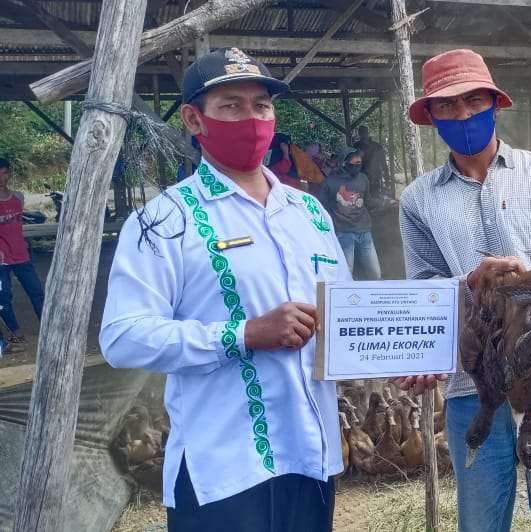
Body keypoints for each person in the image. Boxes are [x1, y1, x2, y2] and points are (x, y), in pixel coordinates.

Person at [99, 47, 349, 531]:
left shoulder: (309, 213)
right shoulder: (165, 220)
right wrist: (244, 333)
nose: (251, 118)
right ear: (194, 119)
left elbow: (346, 317)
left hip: (311, 457)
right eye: (231, 105)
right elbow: (122, 336)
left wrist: (399, 362)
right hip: (224, 470)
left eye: (261, 105)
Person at [394, 49, 531, 532]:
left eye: (473, 100)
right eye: (447, 105)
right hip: (473, 386)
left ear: (495, 104)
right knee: (479, 524)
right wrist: (468, 283)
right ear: (431, 117)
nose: (463, 113)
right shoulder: (419, 199)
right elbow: (422, 287)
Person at [0, 158, 44, 355]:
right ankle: (14, 335)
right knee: (4, 297)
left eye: (5, 172)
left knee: (37, 291)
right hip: (2, 260)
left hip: (21, 255)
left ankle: (48, 328)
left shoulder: (18, 198)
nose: (2, 177)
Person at [318, 147, 380, 280]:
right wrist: (331, 229)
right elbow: (321, 208)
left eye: (359, 163)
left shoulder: (363, 178)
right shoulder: (330, 182)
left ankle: (376, 300)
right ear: (344, 163)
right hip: (344, 233)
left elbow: (367, 201)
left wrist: (382, 202)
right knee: (346, 274)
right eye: (354, 163)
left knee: (375, 273)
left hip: (364, 232)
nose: (358, 165)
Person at [353, 125, 392, 206]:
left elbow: (384, 164)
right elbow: (352, 163)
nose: (362, 135)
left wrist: (387, 179)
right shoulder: (356, 147)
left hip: (371, 178)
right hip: (365, 178)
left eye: (363, 133)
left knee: (373, 200)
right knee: (366, 202)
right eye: (361, 133)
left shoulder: (376, 147)